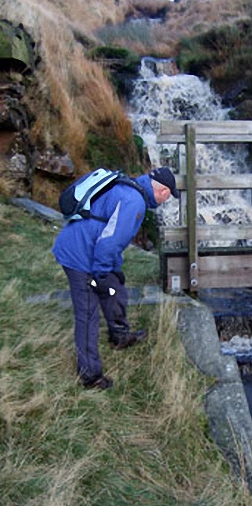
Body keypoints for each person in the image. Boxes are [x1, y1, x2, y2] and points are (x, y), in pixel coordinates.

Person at [53, 166, 179, 390]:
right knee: (88, 312)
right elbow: (109, 241)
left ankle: (119, 334)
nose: (166, 200)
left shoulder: (131, 187)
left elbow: (110, 235)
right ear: (163, 191)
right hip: (80, 255)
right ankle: (90, 376)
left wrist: (112, 272)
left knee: (115, 288)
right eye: (168, 196)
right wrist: (100, 275)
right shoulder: (134, 202)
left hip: (90, 247)